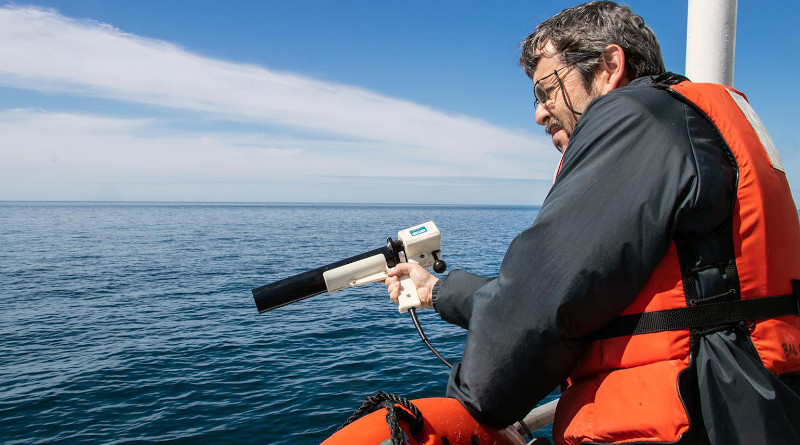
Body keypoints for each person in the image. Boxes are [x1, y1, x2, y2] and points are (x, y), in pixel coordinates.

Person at [385, 2, 800, 444]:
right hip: (751, 404)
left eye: (546, 90)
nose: (539, 114)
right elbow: (577, 293)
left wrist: (467, 409)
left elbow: (536, 308)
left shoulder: (636, 118)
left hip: (689, 421)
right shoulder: (689, 122)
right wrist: (437, 290)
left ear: (608, 67)